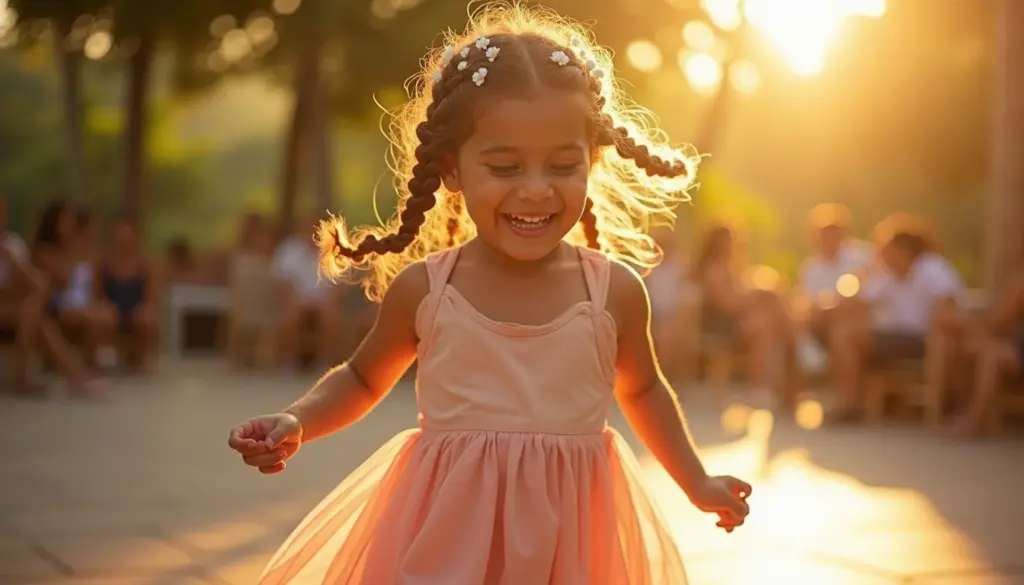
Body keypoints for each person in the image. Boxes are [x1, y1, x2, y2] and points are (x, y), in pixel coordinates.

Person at [227, 7, 751, 583]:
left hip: (570, 539)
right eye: (504, 167)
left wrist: (696, 481)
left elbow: (645, 390)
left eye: (562, 165)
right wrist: (297, 419)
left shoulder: (613, 292)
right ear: (453, 170)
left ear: (593, 162)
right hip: (447, 534)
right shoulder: (428, 289)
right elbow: (361, 378)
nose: (536, 189)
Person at [827, 222, 964, 423]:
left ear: (903, 250)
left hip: (924, 338)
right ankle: (852, 402)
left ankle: (850, 405)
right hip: (897, 338)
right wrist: (864, 276)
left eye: (887, 250)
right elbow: (860, 302)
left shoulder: (930, 267)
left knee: (847, 336)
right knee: (845, 331)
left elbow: (948, 302)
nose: (882, 255)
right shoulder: (889, 274)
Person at [2, 196, 104, 397]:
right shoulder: (44, 251)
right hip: (42, 307)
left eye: (3, 211)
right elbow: (58, 280)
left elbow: (33, 283)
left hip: (18, 308)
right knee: (34, 310)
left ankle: (71, 376)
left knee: (35, 315)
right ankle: (75, 377)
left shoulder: (12, 244)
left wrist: (12, 261)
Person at [691, 223, 799, 408]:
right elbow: (728, 305)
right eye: (730, 240)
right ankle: (760, 385)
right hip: (721, 327)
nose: (734, 245)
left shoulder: (732, 268)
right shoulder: (713, 270)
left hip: (735, 323)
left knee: (767, 319)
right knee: (764, 322)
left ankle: (774, 384)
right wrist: (758, 293)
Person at [948, 274, 1024, 435]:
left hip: (1017, 351)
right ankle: (973, 413)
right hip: (1016, 347)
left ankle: (973, 420)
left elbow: (1001, 320)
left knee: (990, 356)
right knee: (974, 348)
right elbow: (1003, 322)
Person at [797, 203, 873, 346]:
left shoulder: (862, 254)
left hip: (858, 323)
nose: (828, 237)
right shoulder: (810, 268)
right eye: (824, 232)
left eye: (833, 231)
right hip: (823, 326)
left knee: (842, 331)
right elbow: (808, 304)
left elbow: (869, 294)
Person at [272, 216, 343, 367]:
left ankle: (326, 362)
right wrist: (290, 299)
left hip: (324, 301)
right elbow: (282, 280)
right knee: (291, 317)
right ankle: (288, 360)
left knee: (330, 319)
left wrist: (332, 300)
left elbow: (341, 283)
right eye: (309, 228)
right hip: (297, 299)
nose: (313, 232)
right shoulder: (290, 249)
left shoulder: (334, 251)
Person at [94, 213, 160, 370]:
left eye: (127, 234)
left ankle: (137, 357)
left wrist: (145, 308)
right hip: (111, 307)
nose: (123, 239)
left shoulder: (146, 263)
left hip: (137, 306)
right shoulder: (104, 262)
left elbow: (152, 297)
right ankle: (94, 356)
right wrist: (104, 306)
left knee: (147, 318)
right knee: (101, 317)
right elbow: (97, 295)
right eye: (119, 234)